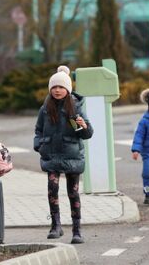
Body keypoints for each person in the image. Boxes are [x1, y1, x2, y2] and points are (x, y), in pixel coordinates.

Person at [33, 65, 93, 244]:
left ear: (68, 89)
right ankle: (56, 225)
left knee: (73, 193)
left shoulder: (75, 108)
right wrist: (39, 145)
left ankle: (77, 230)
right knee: (52, 189)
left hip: (71, 156)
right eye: (54, 87)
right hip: (51, 155)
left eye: (61, 87)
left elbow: (86, 134)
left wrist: (83, 126)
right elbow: (38, 130)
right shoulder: (45, 108)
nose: (57, 90)